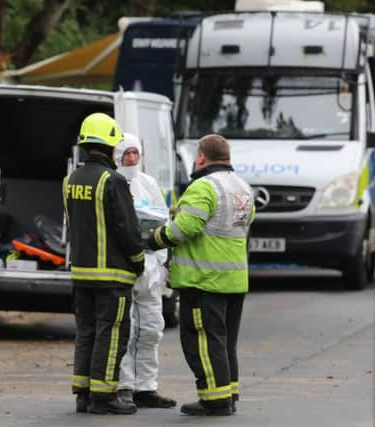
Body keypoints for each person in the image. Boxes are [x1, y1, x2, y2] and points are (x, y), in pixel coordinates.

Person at [147, 134, 255, 416]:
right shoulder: (242, 188)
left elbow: (183, 230)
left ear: (201, 157)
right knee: (224, 341)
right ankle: (227, 393)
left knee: (202, 341)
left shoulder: (202, 187)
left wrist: (152, 239)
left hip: (203, 281)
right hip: (234, 280)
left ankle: (215, 400)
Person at [62, 113, 145, 415]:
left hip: (81, 274)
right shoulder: (114, 181)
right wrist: (139, 262)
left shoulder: (70, 181)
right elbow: (127, 229)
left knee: (86, 332)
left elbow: (73, 226)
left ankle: (82, 394)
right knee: (111, 334)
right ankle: (103, 395)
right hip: (112, 276)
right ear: (112, 145)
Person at [113, 133, 176, 409]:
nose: (132, 159)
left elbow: (163, 223)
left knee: (151, 329)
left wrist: (161, 264)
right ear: (118, 155)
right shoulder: (113, 183)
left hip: (149, 269)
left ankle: (146, 387)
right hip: (125, 268)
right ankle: (125, 386)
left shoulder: (148, 183)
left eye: (136, 153)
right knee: (127, 330)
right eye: (127, 153)